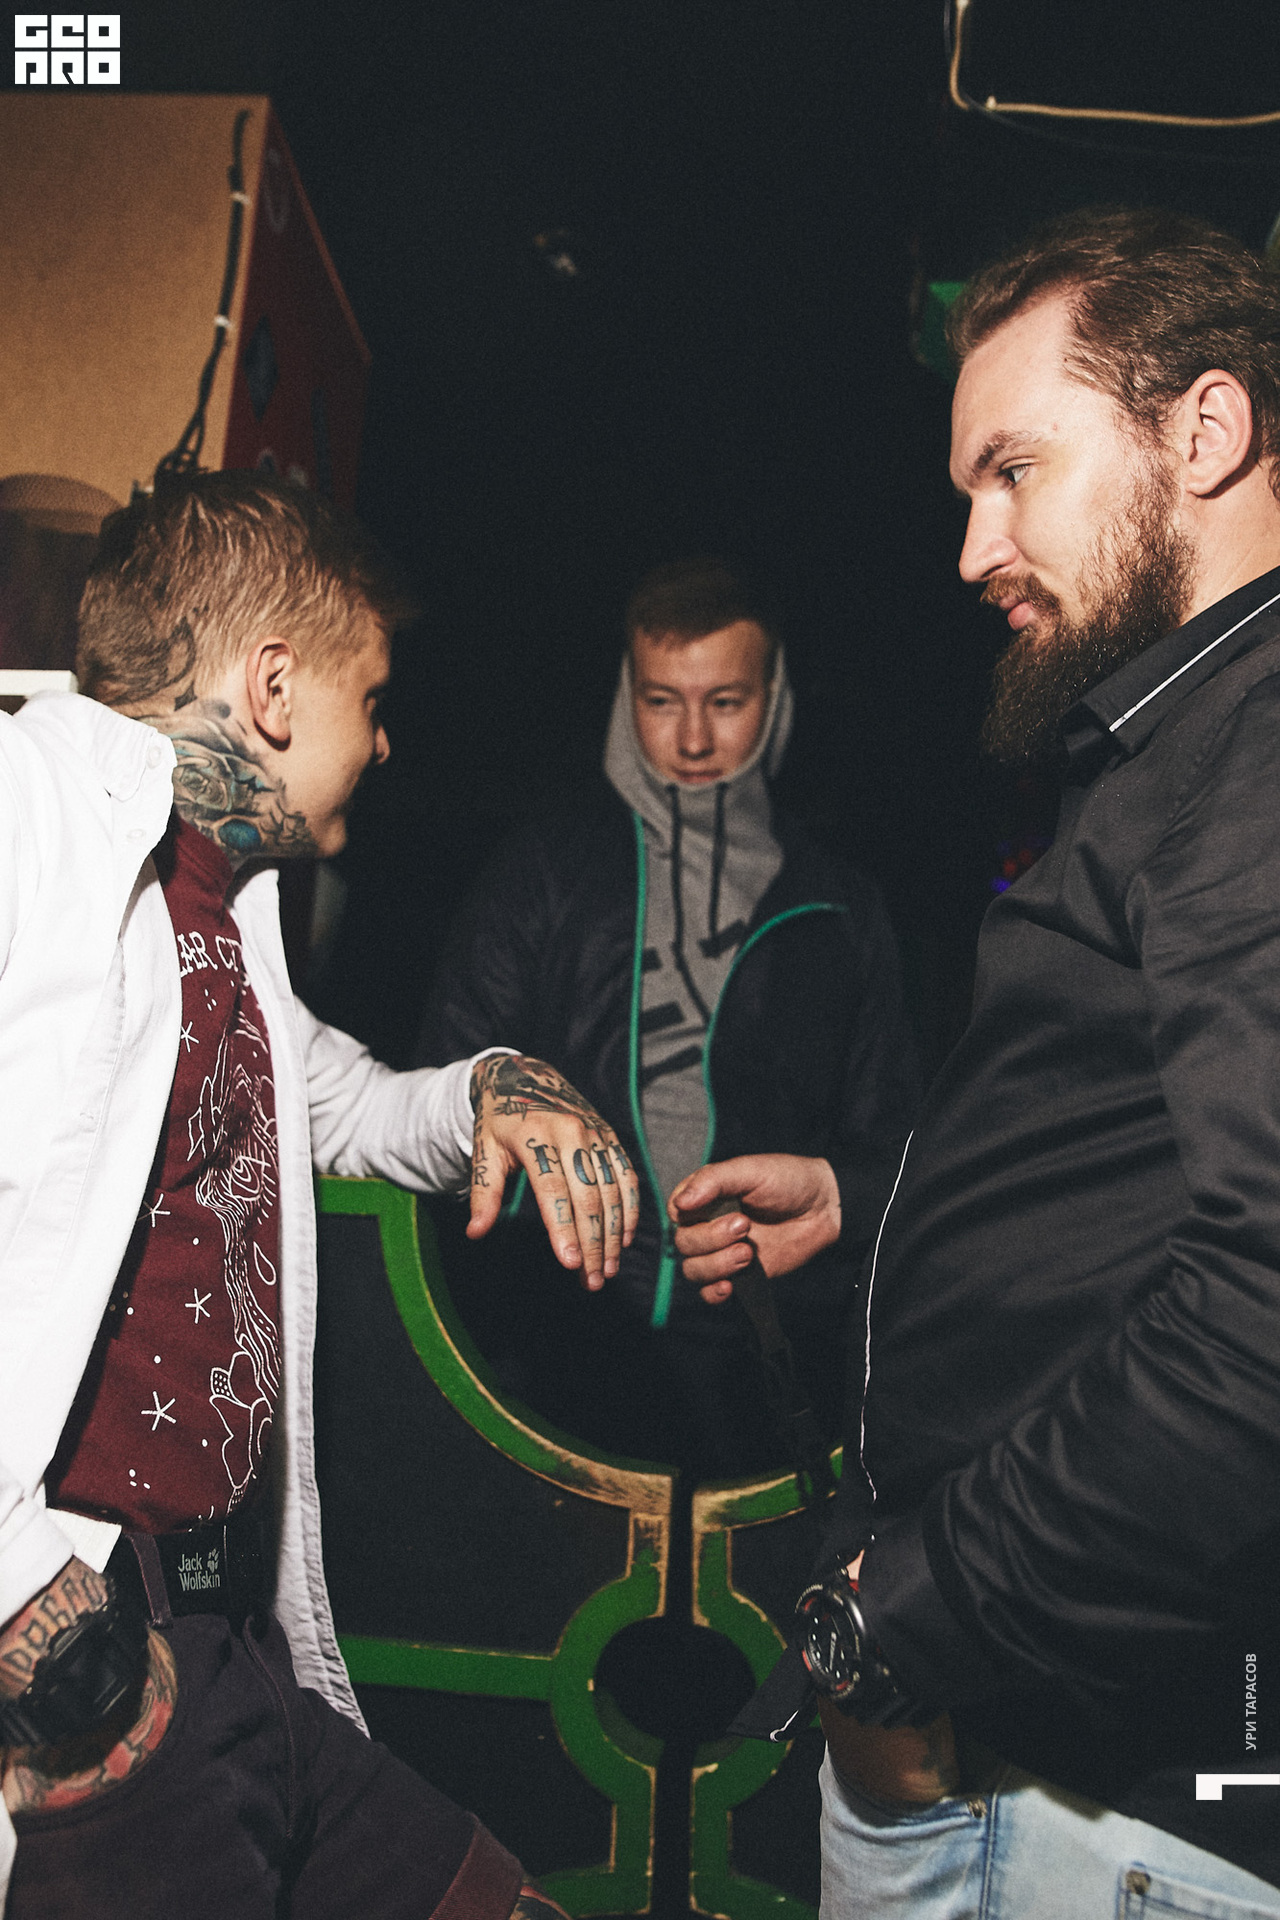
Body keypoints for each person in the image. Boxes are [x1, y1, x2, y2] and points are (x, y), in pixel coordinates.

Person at [672, 208, 1280, 1913]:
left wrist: (896, 1622)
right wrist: (875, 1209)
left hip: (1093, 1796)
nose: (971, 548)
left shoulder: (1259, 743)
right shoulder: (1187, 738)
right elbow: (1133, 1176)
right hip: (1011, 1769)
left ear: (1205, 433)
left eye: (1014, 471)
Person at [0, 471, 639, 1917]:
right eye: (374, 697)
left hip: (226, 1653)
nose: (386, 740)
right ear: (276, 687)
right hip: (88, 1673)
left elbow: (322, 1103)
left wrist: (484, 1090)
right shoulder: (28, 810)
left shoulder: (225, 901)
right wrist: (31, 1607)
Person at [418, 558, 918, 1477]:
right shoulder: (545, 868)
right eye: (661, 701)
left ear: (775, 697)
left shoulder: (842, 907)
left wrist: (827, 1227)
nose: (691, 738)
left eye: (725, 702)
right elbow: (442, 1092)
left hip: (764, 1369)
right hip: (551, 1352)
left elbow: (892, 1148)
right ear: (626, 695)